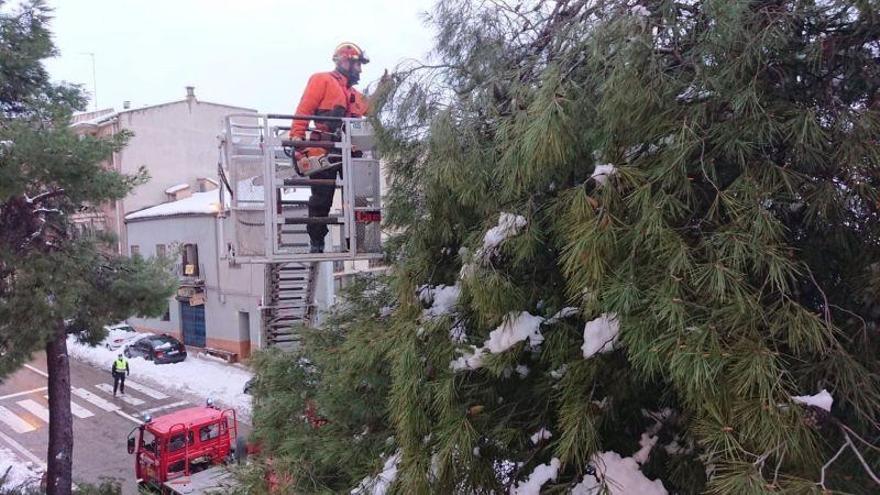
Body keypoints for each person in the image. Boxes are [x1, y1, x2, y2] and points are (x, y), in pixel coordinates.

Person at [290, 42, 370, 253]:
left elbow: (372, 107)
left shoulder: (353, 93)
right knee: (321, 197)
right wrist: (297, 136)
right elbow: (304, 109)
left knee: (359, 195)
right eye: (357, 65)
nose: (360, 70)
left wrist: (387, 88)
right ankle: (316, 242)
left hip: (349, 150)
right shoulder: (322, 80)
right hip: (324, 148)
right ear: (345, 61)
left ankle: (357, 240)